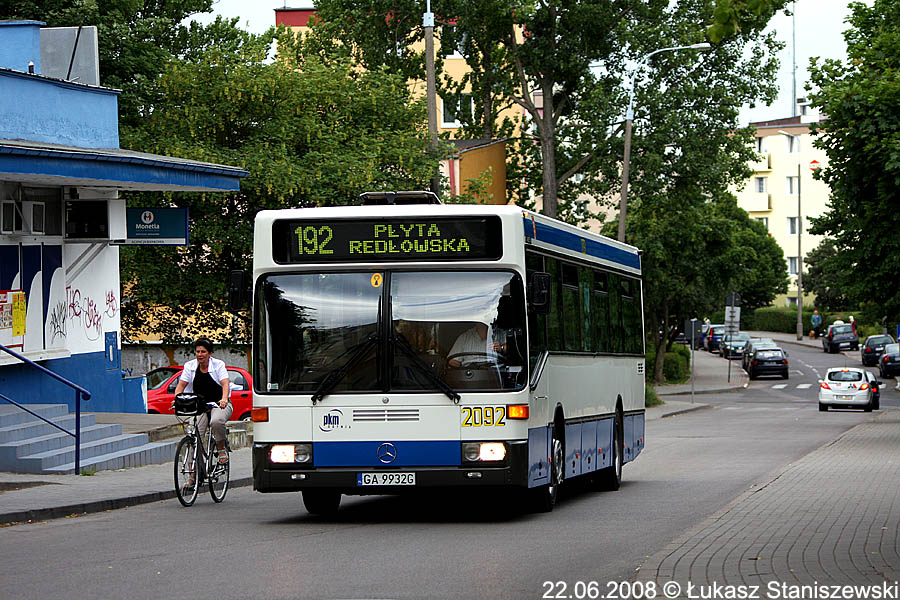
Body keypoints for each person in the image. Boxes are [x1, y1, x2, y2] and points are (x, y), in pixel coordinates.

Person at [173, 338, 232, 467]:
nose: (200, 354)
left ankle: (221, 448)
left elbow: (225, 383)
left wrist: (224, 399)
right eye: (198, 351)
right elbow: (181, 386)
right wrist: (177, 399)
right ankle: (193, 474)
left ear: (210, 354)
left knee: (216, 421)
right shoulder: (190, 366)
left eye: (203, 352)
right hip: (199, 405)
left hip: (219, 404)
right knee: (194, 435)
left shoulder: (218, 365)